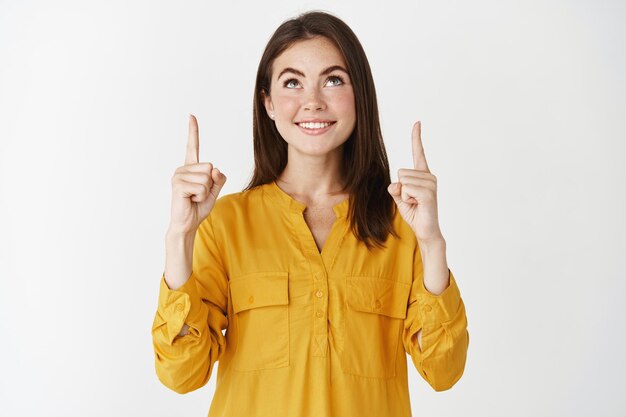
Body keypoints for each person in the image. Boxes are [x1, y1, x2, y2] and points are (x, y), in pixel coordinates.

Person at [151, 10, 469, 417]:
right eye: (292, 82)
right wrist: (179, 236)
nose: (313, 102)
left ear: (360, 97)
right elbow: (182, 375)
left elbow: (444, 371)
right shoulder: (226, 223)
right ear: (267, 102)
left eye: (333, 80)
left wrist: (432, 242)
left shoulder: (401, 225)